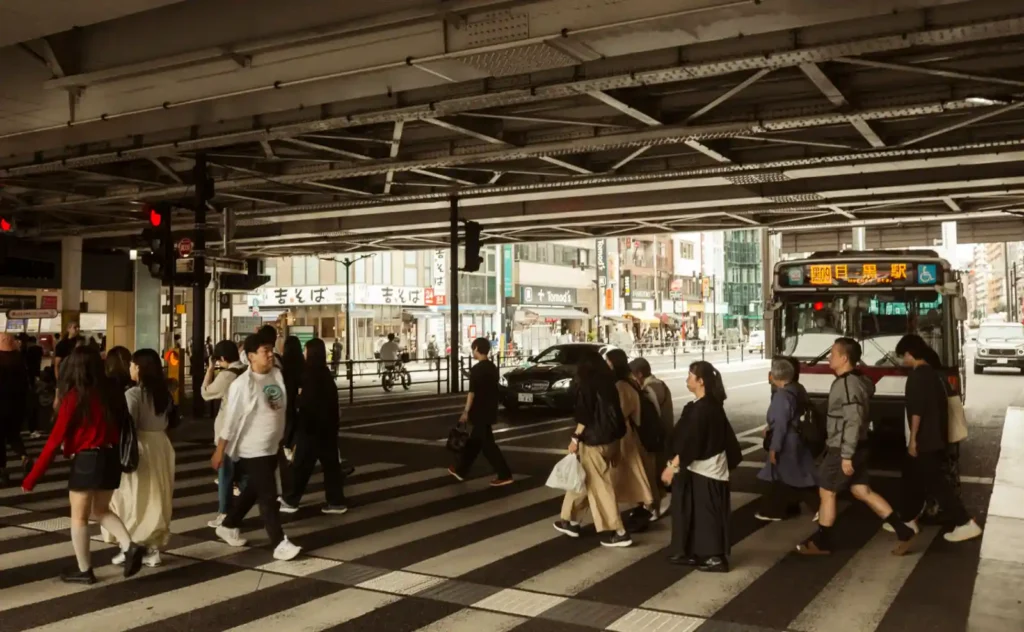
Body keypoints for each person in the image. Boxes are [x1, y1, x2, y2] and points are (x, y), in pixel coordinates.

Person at [22, 346, 146, 584]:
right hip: (112, 458)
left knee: (78, 517)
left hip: (88, 460)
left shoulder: (74, 397)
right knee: (100, 510)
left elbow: (53, 442)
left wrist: (32, 478)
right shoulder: (112, 392)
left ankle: (85, 569)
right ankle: (130, 545)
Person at [797, 337, 917, 556]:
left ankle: (822, 543)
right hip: (858, 446)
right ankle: (904, 531)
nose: (828, 357)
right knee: (862, 490)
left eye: (832, 354)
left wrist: (845, 455)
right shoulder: (858, 381)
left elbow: (852, 420)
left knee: (827, 491)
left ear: (844, 358)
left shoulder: (847, 385)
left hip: (844, 448)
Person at [211, 332, 301, 561]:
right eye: (265, 351)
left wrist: (283, 438)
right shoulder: (243, 384)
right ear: (251, 356)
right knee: (268, 495)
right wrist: (221, 450)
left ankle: (229, 524)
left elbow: (280, 409)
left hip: (271, 445)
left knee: (254, 489)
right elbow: (231, 420)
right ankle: (279, 542)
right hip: (252, 448)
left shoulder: (276, 375)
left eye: (271, 350)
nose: (270, 355)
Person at [888, 334, 982, 542]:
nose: (903, 360)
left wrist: (913, 440)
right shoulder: (933, 374)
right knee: (912, 477)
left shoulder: (916, 377)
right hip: (937, 436)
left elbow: (917, 412)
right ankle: (908, 518)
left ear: (910, 354)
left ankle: (964, 522)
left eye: (903, 355)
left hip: (925, 439)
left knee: (935, 482)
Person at [662, 361, 741, 572]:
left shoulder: (704, 409)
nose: (687, 379)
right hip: (705, 467)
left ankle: (715, 557)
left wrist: (672, 466)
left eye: (690, 376)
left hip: (707, 468)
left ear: (701, 381)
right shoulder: (707, 405)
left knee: (708, 514)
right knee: (701, 512)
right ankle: (698, 552)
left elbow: (692, 442)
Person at [104, 349, 176, 568]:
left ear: (140, 368)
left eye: (133, 365)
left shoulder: (133, 395)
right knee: (157, 497)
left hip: (139, 448)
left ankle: (131, 547)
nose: (130, 369)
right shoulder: (164, 394)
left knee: (133, 497)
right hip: (161, 446)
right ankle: (152, 549)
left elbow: (129, 426)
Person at [554, 352, 632, 547]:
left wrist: (575, 439)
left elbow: (584, 416)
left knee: (600, 486)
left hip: (594, 441)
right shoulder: (610, 384)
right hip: (612, 440)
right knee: (585, 478)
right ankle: (569, 519)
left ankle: (618, 531)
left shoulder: (587, 385)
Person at [280, 338, 348, 514]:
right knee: (330, 466)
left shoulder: (310, 375)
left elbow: (305, 402)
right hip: (328, 428)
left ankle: (290, 499)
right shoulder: (324, 373)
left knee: (301, 465)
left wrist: (297, 400)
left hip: (311, 428)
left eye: (306, 350)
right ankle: (336, 502)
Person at [755, 359, 820, 521]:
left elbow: (782, 425)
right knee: (785, 476)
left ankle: (820, 507)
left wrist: (774, 448)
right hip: (798, 437)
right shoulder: (797, 389)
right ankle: (779, 509)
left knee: (793, 477)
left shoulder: (781, 396)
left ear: (775, 376)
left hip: (787, 442)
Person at [449, 338, 514, 486]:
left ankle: (505, 474)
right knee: (475, 442)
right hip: (489, 410)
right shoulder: (492, 367)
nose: (473, 352)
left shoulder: (477, 370)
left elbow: (472, 393)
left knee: (487, 446)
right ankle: (461, 470)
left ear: (477, 348)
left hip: (479, 411)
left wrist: (465, 411)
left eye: (473, 349)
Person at [202, 340, 248, 527]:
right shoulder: (246, 370)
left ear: (222, 358)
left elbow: (206, 393)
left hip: (228, 431)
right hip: (244, 429)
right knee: (243, 473)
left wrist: (210, 370)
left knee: (225, 474)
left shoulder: (227, 376)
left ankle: (224, 512)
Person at [605, 349, 656, 517]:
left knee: (625, 473)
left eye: (609, 362)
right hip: (629, 433)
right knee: (632, 473)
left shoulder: (621, 385)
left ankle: (645, 505)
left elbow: (620, 412)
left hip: (622, 435)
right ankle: (645, 504)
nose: (607, 365)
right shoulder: (630, 382)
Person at [630, 357, 674, 516]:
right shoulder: (659, 385)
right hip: (662, 435)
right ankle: (655, 504)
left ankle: (654, 507)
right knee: (656, 471)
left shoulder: (651, 389)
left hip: (657, 437)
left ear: (639, 374)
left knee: (655, 472)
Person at [0, 333, 33, 487]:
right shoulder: (19, 361)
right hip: (16, 407)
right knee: (13, 435)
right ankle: (24, 456)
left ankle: (2, 472)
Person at [280, 335, 305, 452]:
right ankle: (293, 445)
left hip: (285, 395)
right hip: (298, 396)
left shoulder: (282, 362)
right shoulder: (302, 362)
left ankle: (286, 444)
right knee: (296, 421)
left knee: (288, 420)